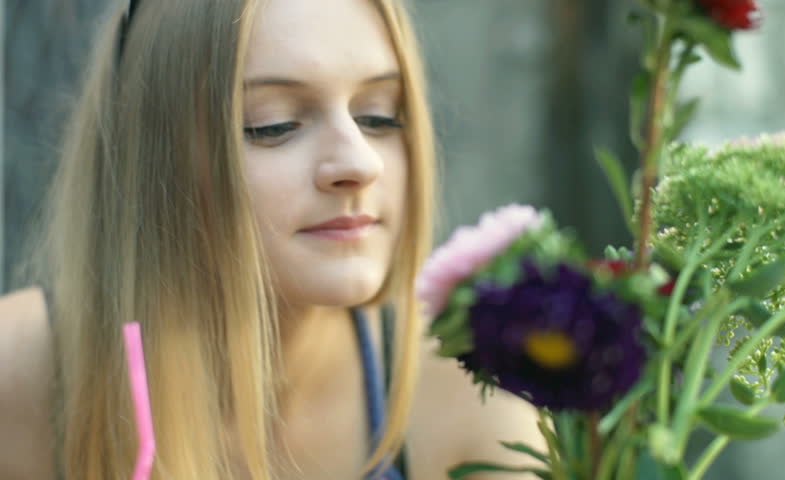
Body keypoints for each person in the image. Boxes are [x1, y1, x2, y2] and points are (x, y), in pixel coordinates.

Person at [0, 0, 544, 478]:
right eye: (274, 123)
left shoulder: (476, 390)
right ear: (155, 162)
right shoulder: (19, 374)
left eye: (379, 115)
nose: (359, 162)